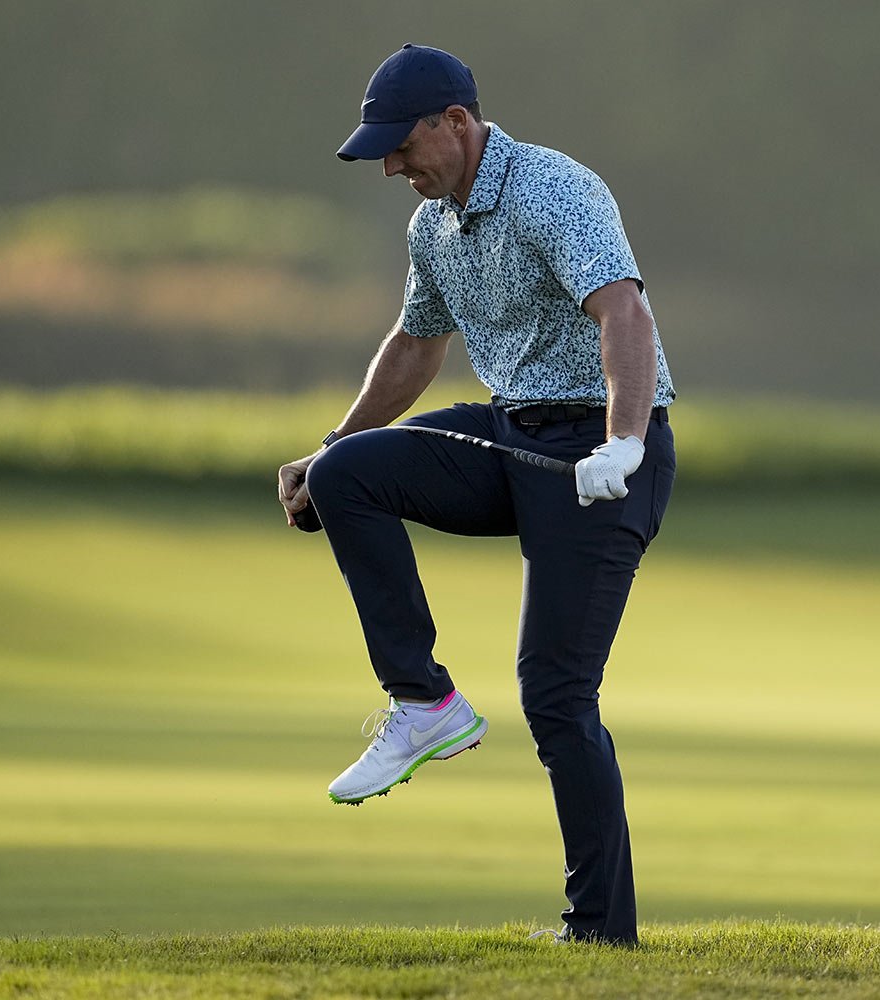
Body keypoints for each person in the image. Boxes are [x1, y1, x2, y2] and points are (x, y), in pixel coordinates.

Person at [277, 43, 676, 947]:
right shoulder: (433, 227)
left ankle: (601, 931)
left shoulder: (552, 188)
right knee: (350, 474)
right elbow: (416, 346)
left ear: (456, 124)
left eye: (401, 145)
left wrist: (625, 437)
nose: (390, 166)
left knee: (557, 695)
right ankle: (423, 703)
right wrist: (327, 450)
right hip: (512, 436)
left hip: (603, 456)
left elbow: (625, 313)